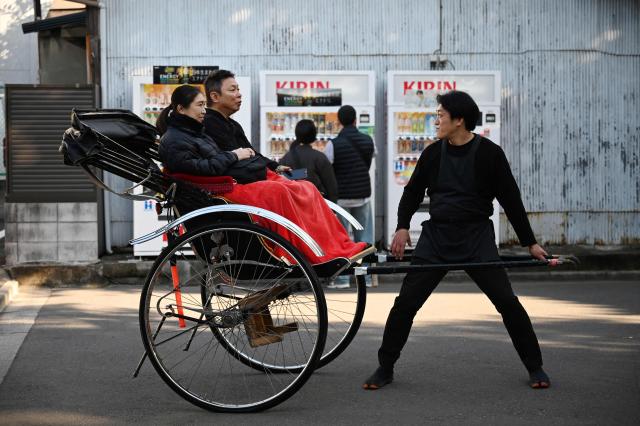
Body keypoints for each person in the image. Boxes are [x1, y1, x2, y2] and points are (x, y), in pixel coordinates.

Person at [363, 91, 550, 391]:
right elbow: (412, 193)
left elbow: (510, 200)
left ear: (459, 119)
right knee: (406, 303)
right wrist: (401, 227)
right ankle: (385, 367)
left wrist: (530, 243)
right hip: (437, 236)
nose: (435, 120)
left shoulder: (490, 154)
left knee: (507, 302)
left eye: (440, 114)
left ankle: (535, 366)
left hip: (476, 236)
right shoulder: (433, 153)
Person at [156, 85, 367, 265]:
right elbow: (203, 169)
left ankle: (334, 246)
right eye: (199, 105)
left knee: (307, 188)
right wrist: (233, 155)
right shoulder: (173, 139)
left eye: (204, 104)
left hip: (227, 181)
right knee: (277, 191)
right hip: (218, 189)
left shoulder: (195, 131)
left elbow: (213, 162)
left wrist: (249, 161)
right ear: (181, 109)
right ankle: (303, 253)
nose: (204, 110)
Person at [202, 69, 288, 173]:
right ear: (215, 96)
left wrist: (276, 167)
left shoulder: (233, 124)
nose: (239, 94)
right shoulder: (208, 123)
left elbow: (252, 152)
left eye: (238, 89)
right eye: (232, 90)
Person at [331, 105, 375, 287]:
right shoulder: (367, 140)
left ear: (339, 121)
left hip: (341, 198)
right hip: (362, 195)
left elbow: (329, 169)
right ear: (355, 120)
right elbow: (367, 164)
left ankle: (342, 279)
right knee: (364, 239)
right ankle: (366, 277)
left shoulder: (333, 144)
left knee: (342, 240)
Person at [279, 119, 339, 202]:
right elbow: (331, 186)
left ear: (297, 135)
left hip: (294, 204)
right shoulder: (320, 157)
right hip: (316, 203)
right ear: (314, 135)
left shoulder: (286, 157)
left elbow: (282, 180)